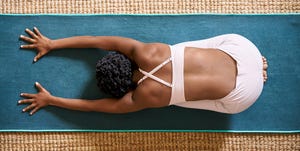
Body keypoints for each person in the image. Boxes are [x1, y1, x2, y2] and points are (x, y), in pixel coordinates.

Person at [18, 27, 268, 115]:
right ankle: (254, 62)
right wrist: (52, 43)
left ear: (122, 91)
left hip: (246, 94)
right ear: (120, 57)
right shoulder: (142, 51)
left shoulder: (141, 98)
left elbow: (93, 106)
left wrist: (51, 100)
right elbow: (95, 40)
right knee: (194, 48)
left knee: (183, 102)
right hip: (244, 49)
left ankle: (255, 77)